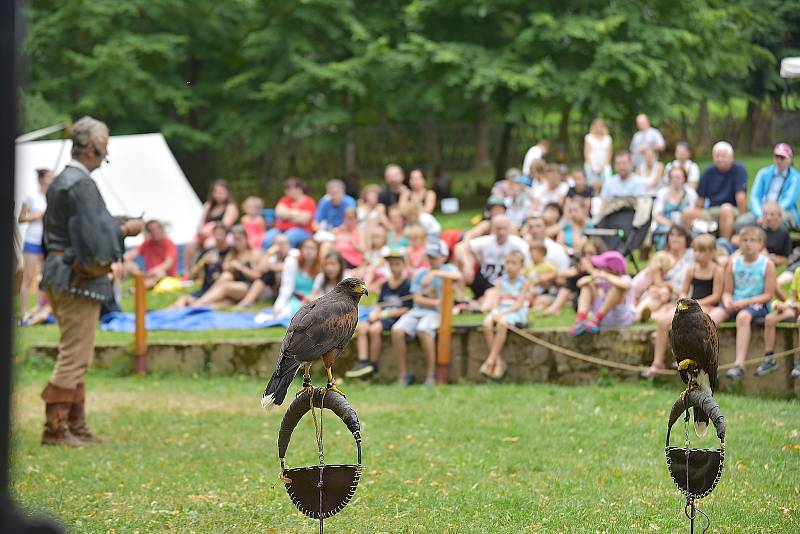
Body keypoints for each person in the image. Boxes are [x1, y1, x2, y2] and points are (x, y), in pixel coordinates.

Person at [39, 116, 144, 446]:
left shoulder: (63, 180)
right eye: (105, 144)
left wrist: (113, 223)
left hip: (61, 274)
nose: (107, 150)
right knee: (74, 355)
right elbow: (94, 238)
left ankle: (74, 423)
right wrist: (126, 229)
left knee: (76, 352)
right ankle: (55, 428)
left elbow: (86, 226)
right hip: (74, 277)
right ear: (94, 148)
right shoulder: (80, 183)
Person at [642, 233, 722, 379]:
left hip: (706, 305)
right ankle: (658, 362)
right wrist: (682, 299)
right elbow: (684, 290)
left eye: (702, 251)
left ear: (711, 252)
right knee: (662, 322)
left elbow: (716, 296)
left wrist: (697, 304)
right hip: (689, 306)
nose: (698, 255)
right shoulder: (692, 269)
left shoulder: (716, 270)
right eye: (696, 251)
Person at [708, 226, 776, 381]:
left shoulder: (766, 264)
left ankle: (739, 365)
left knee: (743, 317)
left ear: (761, 244)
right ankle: (706, 363)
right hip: (736, 302)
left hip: (756, 304)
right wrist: (727, 300)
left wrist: (746, 302)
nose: (748, 244)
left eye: (752, 240)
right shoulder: (733, 262)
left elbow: (768, 295)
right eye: (744, 240)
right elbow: (727, 291)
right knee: (711, 318)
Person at [391, 240, 462, 386]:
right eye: (429, 256)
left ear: (443, 257)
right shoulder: (420, 273)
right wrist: (435, 302)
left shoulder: (448, 269)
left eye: (435, 257)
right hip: (419, 310)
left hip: (436, 313)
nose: (431, 260)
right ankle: (404, 374)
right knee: (397, 330)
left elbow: (459, 277)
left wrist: (435, 273)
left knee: (423, 330)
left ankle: (431, 374)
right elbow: (417, 298)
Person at [348, 250, 411, 379]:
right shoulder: (386, 284)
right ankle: (363, 362)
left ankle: (374, 365)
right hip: (381, 315)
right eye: (391, 264)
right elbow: (379, 303)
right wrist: (376, 312)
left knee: (375, 330)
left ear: (403, 265)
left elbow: (406, 308)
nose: (394, 268)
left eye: (397, 264)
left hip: (394, 317)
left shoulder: (407, 284)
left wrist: (384, 314)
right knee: (363, 327)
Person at [479, 250, 530, 380]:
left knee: (502, 323)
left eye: (514, 263)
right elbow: (496, 301)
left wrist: (502, 313)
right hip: (501, 310)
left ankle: (491, 360)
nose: (509, 266)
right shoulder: (500, 281)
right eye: (507, 262)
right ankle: (498, 360)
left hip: (515, 312)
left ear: (520, 266)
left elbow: (519, 304)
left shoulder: (524, 283)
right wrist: (496, 312)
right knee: (487, 322)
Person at [455, 214, 530, 302]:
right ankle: (461, 298)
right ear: (492, 229)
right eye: (498, 229)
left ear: (509, 228)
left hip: (507, 282)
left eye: (504, 228)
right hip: (485, 279)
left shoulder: (519, 244)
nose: (501, 232)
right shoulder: (486, 241)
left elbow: (527, 266)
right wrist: (468, 266)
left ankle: (481, 302)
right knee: (463, 260)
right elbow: (460, 247)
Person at [683, 141, 747, 241]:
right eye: (717, 156)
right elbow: (700, 199)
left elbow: (741, 197)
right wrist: (697, 213)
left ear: (731, 157)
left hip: (732, 209)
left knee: (725, 209)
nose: (720, 159)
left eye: (723, 156)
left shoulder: (738, 170)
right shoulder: (709, 172)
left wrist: (742, 218)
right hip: (712, 210)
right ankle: (689, 245)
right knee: (687, 213)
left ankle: (723, 244)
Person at [192, 225, 261, 309]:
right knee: (226, 276)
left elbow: (257, 276)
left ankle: (199, 303)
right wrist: (227, 266)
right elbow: (224, 268)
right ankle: (203, 302)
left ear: (246, 239)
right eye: (235, 240)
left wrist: (240, 267)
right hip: (234, 285)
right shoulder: (232, 253)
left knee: (225, 286)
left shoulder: (254, 254)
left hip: (248, 286)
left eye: (239, 239)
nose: (237, 243)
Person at [568, 250, 635, 335]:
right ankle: (580, 319)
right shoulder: (600, 278)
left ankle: (596, 320)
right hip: (604, 319)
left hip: (620, 320)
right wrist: (592, 278)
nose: (600, 268)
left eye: (603, 267)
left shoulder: (624, 278)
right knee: (587, 286)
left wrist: (607, 276)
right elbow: (580, 283)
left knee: (617, 289)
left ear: (613, 269)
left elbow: (626, 285)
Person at [736, 143, 799, 230]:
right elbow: (754, 196)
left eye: (782, 157)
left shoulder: (795, 177)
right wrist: (761, 214)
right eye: (776, 156)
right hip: (761, 211)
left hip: (784, 211)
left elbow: (788, 200)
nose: (779, 160)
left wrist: (771, 213)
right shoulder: (763, 173)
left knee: (780, 222)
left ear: (790, 159)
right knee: (741, 222)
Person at [18, 168, 53, 321]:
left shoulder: (52, 197)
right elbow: (21, 218)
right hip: (32, 241)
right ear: (41, 179)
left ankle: (43, 308)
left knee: (46, 277)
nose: (52, 179)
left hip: (47, 242)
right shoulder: (31, 197)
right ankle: (23, 312)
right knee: (29, 277)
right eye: (49, 177)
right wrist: (36, 216)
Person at [183, 179, 238, 275]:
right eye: (216, 192)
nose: (218, 195)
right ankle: (188, 273)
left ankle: (209, 271)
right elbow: (200, 222)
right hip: (204, 234)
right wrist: (201, 230)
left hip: (222, 235)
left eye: (221, 192)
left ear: (227, 193)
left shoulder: (231, 207)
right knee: (190, 245)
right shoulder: (208, 205)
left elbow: (225, 225)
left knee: (210, 244)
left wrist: (209, 231)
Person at [541, 238, 606, 316]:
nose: (588, 256)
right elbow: (564, 274)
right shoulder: (580, 264)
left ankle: (591, 312)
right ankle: (555, 308)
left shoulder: (604, 266)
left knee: (587, 283)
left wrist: (590, 269)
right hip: (579, 299)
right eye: (585, 254)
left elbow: (600, 280)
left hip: (600, 299)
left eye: (591, 253)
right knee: (571, 280)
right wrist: (577, 271)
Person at [172, 223, 230, 309]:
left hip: (219, 290)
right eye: (217, 234)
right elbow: (192, 275)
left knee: (197, 304)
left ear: (226, 235)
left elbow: (230, 272)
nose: (219, 237)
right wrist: (203, 262)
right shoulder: (208, 252)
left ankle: (196, 306)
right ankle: (163, 315)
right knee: (182, 300)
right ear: (213, 235)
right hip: (205, 289)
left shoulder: (232, 251)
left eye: (221, 234)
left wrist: (218, 263)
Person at [758, 266, 800, 378]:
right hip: (796, 308)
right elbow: (794, 298)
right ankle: (769, 359)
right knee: (770, 319)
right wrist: (784, 305)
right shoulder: (798, 271)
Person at [234, 233, 293, 309]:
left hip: (291, 290)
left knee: (268, 273)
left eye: (284, 243)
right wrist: (268, 254)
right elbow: (259, 270)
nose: (282, 246)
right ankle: (247, 302)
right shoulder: (273, 257)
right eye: (279, 244)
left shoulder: (294, 254)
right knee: (266, 275)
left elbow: (286, 267)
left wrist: (270, 267)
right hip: (275, 290)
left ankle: (247, 302)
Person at [272, 238, 322, 318]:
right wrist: (278, 307)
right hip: (295, 300)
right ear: (301, 249)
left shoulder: (321, 268)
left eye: (312, 248)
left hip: (314, 301)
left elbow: (321, 292)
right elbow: (286, 289)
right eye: (306, 248)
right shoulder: (292, 263)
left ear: (317, 251)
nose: (309, 251)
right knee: (282, 314)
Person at [262, 177, 316, 248]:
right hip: (281, 229)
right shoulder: (284, 200)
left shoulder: (309, 201)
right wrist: (296, 213)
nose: (290, 191)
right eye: (287, 189)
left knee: (285, 239)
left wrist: (287, 215)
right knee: (267, 238)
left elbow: (304, 220)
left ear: (300, 189)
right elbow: (278, 214)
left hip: (302, 231)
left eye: (293, 188)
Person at [122, 220, 178, 289]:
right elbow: (132, 254)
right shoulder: (147, 243)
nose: (154, 232)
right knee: (129, 266)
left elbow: (168, 263)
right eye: (151, 230)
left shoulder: (168, 243)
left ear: (161, 229)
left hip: (165, 275)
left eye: (156, 229)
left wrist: (154, 271)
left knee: (159, 273)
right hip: (149, 273)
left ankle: (140, 288)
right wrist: (119, 260)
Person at [652, 166, 697, 250]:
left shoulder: (690, 194)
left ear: (684, 178)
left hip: (685, 225)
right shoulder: (662, 193)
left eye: (678, 177)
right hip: (666, 224)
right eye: (673, 177)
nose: (675, 180)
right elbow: (657, 215)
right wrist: (669, 223)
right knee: (670, 234)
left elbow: (694, 212)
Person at [584, 118, 613, 190]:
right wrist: (592, 166)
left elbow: (610, 153)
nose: (598, 128)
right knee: (592, 184)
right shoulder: (589, 137)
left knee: (606, 183)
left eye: (600, 126)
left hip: (604, 165)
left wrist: (604, 165)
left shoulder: (608, 138)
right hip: (591, 165)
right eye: (596, 126)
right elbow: (586, 153)